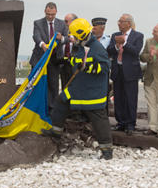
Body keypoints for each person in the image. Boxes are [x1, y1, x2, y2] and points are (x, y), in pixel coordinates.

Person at [43, 18, 113, 160]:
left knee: (99, 120)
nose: (72, 38)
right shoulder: (81, 46)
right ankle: (56, 132)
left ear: (81, 34)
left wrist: (89, 67)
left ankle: (107, 150)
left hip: (92, 92)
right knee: (61, 101)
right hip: (78, 87)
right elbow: (76, 61)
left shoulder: (97, 49)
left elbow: (105, 67)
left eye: (74, 35)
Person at [106, 14, 144, 134]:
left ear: (128, 23)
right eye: (119, 21)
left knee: (130, 98)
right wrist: (117, 46)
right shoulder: (115, 35)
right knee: (119, 98)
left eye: (121, 21)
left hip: (131, 72)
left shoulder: (138, 35)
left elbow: (136, 52)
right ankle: (120, 122)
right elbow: (109, 51)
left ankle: (130, 124)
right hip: (117, 70)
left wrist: (125, 44)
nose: (119, 23)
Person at [29, 2, 67, 112]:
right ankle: (36, 109)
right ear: (45, 12)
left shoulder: (62, 24)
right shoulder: (37, 23)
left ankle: (52, 111)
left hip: (54, 60)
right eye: (48, 14)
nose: (50, 17)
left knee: (53, 86)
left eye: (52, 14)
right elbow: (36, 36)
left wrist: (62, 38)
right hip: (39, 59)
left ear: (56, 12)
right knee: (37, 85)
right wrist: (42, 45)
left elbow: (67, 39)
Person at [59, 13, 78, 90]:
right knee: (64, 87)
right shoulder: (62, 31)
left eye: (66, 21)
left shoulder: (79, 33)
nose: (65, 23)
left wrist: (75, 42)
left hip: (74, 65)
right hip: (63, 64)